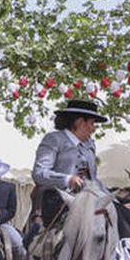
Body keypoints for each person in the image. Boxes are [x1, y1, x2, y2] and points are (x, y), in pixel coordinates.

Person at [31, 97, 108, 228]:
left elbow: (93, 180)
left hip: (88, 202)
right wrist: (68, 179)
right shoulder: (54, 139)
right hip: (57, 202)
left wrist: (116, 202)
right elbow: (39, 173)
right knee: (36, 240)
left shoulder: (90, 145)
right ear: (79, 122)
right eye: (92, 123)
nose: (93, 129)